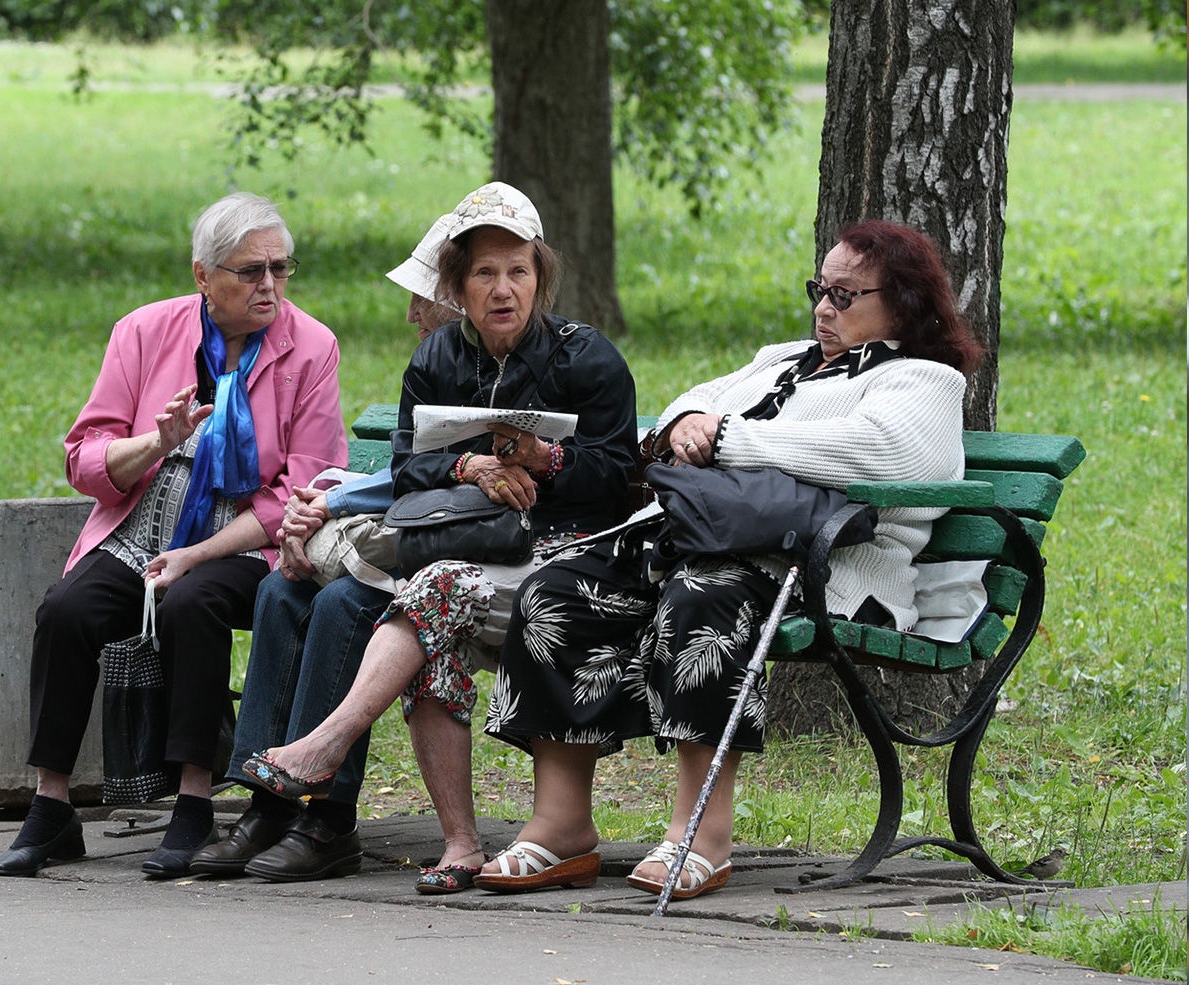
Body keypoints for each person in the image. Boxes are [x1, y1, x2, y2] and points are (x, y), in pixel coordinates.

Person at [484, 220, 982, 897]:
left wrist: (730, 439)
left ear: (903, 304)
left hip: (824, 566)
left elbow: (888, 451)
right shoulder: (785, 359)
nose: (823, 308)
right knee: (557, 590)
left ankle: (701, 834)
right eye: (819, 289)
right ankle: (562, 823)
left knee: (702, 595)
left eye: (845, 295)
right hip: (701, 540)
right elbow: (689, 406)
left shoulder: (922, 380)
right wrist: (692, 423)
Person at [238, 182, 641, 893]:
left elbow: (618, 475)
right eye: (484, 273)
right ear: (457, 285)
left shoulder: (588, 358)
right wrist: (469, 463)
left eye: (518, 270)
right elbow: (406, 464)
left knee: (429, 594)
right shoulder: (438, 361)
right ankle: (458, 843)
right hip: (465, 550)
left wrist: (545, 459)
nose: (503, 288)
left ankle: (326, 749)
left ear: (540, 277)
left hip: (566, 556)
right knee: (411, 614)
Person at [0, 192, 346, 880]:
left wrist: (196, 554)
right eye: (250, 271)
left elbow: (306, 487)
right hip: (139, 532)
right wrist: (157, 441)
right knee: (65, 612)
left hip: (244, 547)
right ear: (202, 276)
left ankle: (193, 802)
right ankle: (52, 806)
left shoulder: (312, 347)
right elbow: (85, 459)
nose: (269, 285)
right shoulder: (144, 332)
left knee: (192, 601)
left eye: (280, 268)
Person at [192, 211, 463, 883]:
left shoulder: (488, 369)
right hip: (406, 537)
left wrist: (328, 503)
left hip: (455, 547)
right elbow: (403, 468)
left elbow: (430, 478)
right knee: (282, 587)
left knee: (345, 601)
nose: (409, 314)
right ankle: (265, 800)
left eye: (421, 298)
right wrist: (322, 505)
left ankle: (326, 816)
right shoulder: (435, 363)